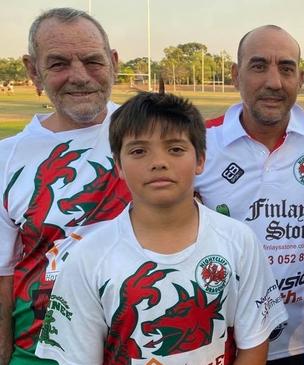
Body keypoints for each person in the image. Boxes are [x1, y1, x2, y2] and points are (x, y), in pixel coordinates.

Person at [34, 91, 287, 364]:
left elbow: (254, 345)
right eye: (139, 151)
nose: (158, 162)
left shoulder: (239, 241)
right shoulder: (88, 257)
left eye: (175, 149)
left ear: (200, 159)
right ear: (118, 165)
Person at [193, 25, 304, 364]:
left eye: (286, 68)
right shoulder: (201, 143)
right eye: (259, 66)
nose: (274, 82)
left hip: (303, 339)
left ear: (300, 78)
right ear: (236, 75)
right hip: (223, 338)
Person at [0, 8, 130, 364]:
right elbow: (2, 278)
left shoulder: (155, 133)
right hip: (42, 350)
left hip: (143, 346)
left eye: (93, 61)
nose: (79, 77)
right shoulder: (5, 160)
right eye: (58, 64)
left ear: (113, 62)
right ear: (33, 71)